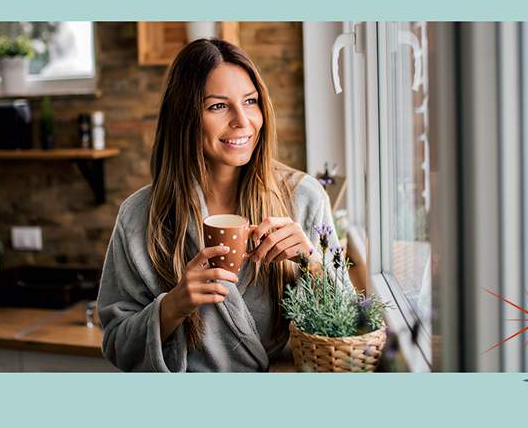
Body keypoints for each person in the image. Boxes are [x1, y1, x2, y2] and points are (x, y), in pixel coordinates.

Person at [96, 38, 348, 372]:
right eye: (218, 106)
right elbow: (116, 344)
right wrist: (173, 306)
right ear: (185, 117)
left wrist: (313, 265)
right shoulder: (139, 216)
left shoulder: (304, 198)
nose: (243, 121)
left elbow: (350, 325)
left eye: (250, 101)